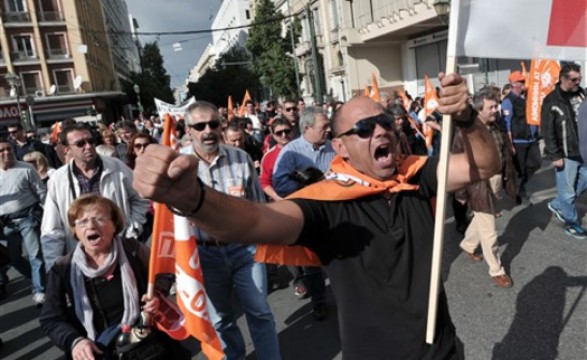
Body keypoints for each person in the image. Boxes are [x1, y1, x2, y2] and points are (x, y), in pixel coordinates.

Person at [133, 73, 500, 358]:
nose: (380, 131)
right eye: (363, 129)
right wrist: (193, 198)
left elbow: (484, 164)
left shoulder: (417, 173)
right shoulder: (327, 202)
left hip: (442, 349)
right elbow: (253, 222)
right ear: (339, 146)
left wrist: (467, 118)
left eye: (384, 121)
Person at [179, 101, 281, 359]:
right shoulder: (178, 166)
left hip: (245, 250)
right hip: (205, 256)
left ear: (221, 125)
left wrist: (266, 249)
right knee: (222, 318)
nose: (208, 131)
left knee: (259, 310)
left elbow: (259, 207)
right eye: (200, 126)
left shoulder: (241, 158)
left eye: (214, 123)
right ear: (189, 130)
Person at [39, 194, 187, 360]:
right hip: (99, 352)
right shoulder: (63, 269)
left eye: (99, 218)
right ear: (74, 230)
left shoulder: (133, 250)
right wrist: (75, 342)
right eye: (82, 221)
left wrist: (157, 295)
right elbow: (51, 319)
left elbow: (163, 274)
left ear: (114, 224)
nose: (91, 225)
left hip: (147, 347)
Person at [41, 124, 150, 271]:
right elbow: (51, 229)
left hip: (119, 248)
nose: (88, 146)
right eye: (80, 144)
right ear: (67, 149)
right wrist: (53, 267)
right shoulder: (58, 180)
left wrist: (132, 230)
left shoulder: (116, 166)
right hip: (82, 256)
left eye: (91, 141)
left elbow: (140, 198)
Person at [271, 106, 334, 320]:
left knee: (340, 258)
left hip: (333, 212)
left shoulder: (333, 147)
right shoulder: (291, 151)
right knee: (312, 265)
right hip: (308, 215)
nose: (328, 130)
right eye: (324, 126)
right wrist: (304, 185)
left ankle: (347, 299)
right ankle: (319, 302)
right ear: (307, 128)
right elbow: (278, 183)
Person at [453, 88, 516, 287]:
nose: (496, 110)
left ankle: (468, 245)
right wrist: (461, 192)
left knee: (481, 217)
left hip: (495, 180)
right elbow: (457, 162)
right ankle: (496, 270)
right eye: (492, 107)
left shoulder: (496, 126)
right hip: (478, 185)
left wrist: (508, 177)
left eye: (496, 106)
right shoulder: (466, 133)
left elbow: (504, 151)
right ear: (479, 109)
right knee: (489, 230)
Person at [541, 63, 587, 239]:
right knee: (567, 192)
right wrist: (555, 154)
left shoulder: (582, 93)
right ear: (563, 79)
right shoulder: (552, 100)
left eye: (579, 78)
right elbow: (547, 130)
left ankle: (558, 203)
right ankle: (572, 223)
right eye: (574, 79)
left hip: (584, 150)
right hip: (566, 154)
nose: (577, 82)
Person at [0, 139, 47, 304]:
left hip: (29, 216)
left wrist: (47, 214)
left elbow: (41, 192)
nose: (6, 153)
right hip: (6, 223)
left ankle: (40, 290)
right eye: (2, 150)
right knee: (14, 259)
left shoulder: (26, 168)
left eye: (9, 149)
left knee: (36, 255)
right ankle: (38, 279)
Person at [502, 70, 540, 205]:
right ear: (514, 84)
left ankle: (521, 185)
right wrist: (510, 144)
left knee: (536, 163)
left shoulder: (528, 97)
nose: (525, 84)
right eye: (522, 82)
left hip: (532, 139)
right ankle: (518, 192)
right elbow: (506, 124)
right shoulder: (508, 101)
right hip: (519, 141)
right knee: (520, 169)